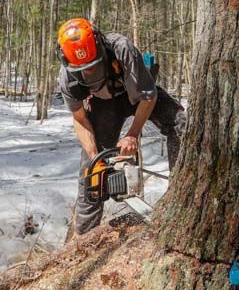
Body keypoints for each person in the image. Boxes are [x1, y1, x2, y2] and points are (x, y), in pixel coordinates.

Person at [56, 17, 184, 235]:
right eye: (85, 69)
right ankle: (84, 236)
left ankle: (181, 194)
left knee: (181, 124)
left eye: (94, 65)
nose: (91, 72)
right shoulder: (67, 77)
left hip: (138, 93)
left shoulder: (121, 48)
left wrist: (133, 133)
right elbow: (80, 119)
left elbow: (148, 96)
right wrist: (95, 157)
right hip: (103, 105)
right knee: (90, 174)